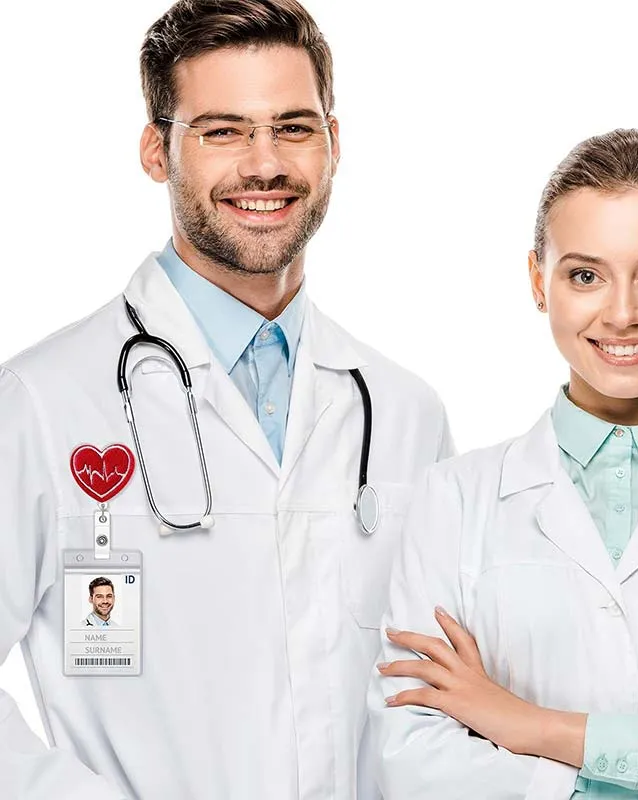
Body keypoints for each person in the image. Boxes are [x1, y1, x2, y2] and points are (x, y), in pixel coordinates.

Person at [0, 1, 452, 798]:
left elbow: (442, 701)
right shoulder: (41, 402)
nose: (264, 164)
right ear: (155, 149)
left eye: (294, 127)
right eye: (222, 130)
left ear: (334, 144)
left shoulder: (404, 413)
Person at [370, 129, 638, 800]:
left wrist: (522, 724)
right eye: (585, 275)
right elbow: (412, 766)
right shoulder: (454, 497)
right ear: (539, 280)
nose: (623, 313)